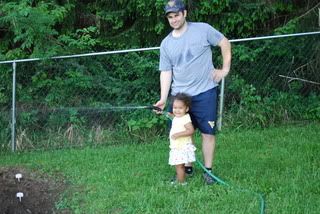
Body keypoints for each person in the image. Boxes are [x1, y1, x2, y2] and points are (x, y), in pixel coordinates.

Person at [154, 0, 232, 185]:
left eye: (176, 15)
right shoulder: (166, 44)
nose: (173, 20)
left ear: (185, 13)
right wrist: (163, 99)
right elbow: (166, 72)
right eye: (170, 17)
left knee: (208, 133)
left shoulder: (203, 30)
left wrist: (224, 70)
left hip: (205, 92)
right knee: (183, 133)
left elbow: (224, 42)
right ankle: (184, 169)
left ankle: (209, 172)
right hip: (180, 97)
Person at [168, 93, 196, 185]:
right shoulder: (178, 117)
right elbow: (175, 119)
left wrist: (178, 134)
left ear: (186, 109)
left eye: (180, 108)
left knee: (179, 166)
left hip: (182, 147)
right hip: (178, 146)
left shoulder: (185, 119)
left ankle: (181, 183)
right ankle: (180, 180)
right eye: (175, 108)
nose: (177, 110)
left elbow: (191, 130)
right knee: (180, 166)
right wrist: (166, 114)